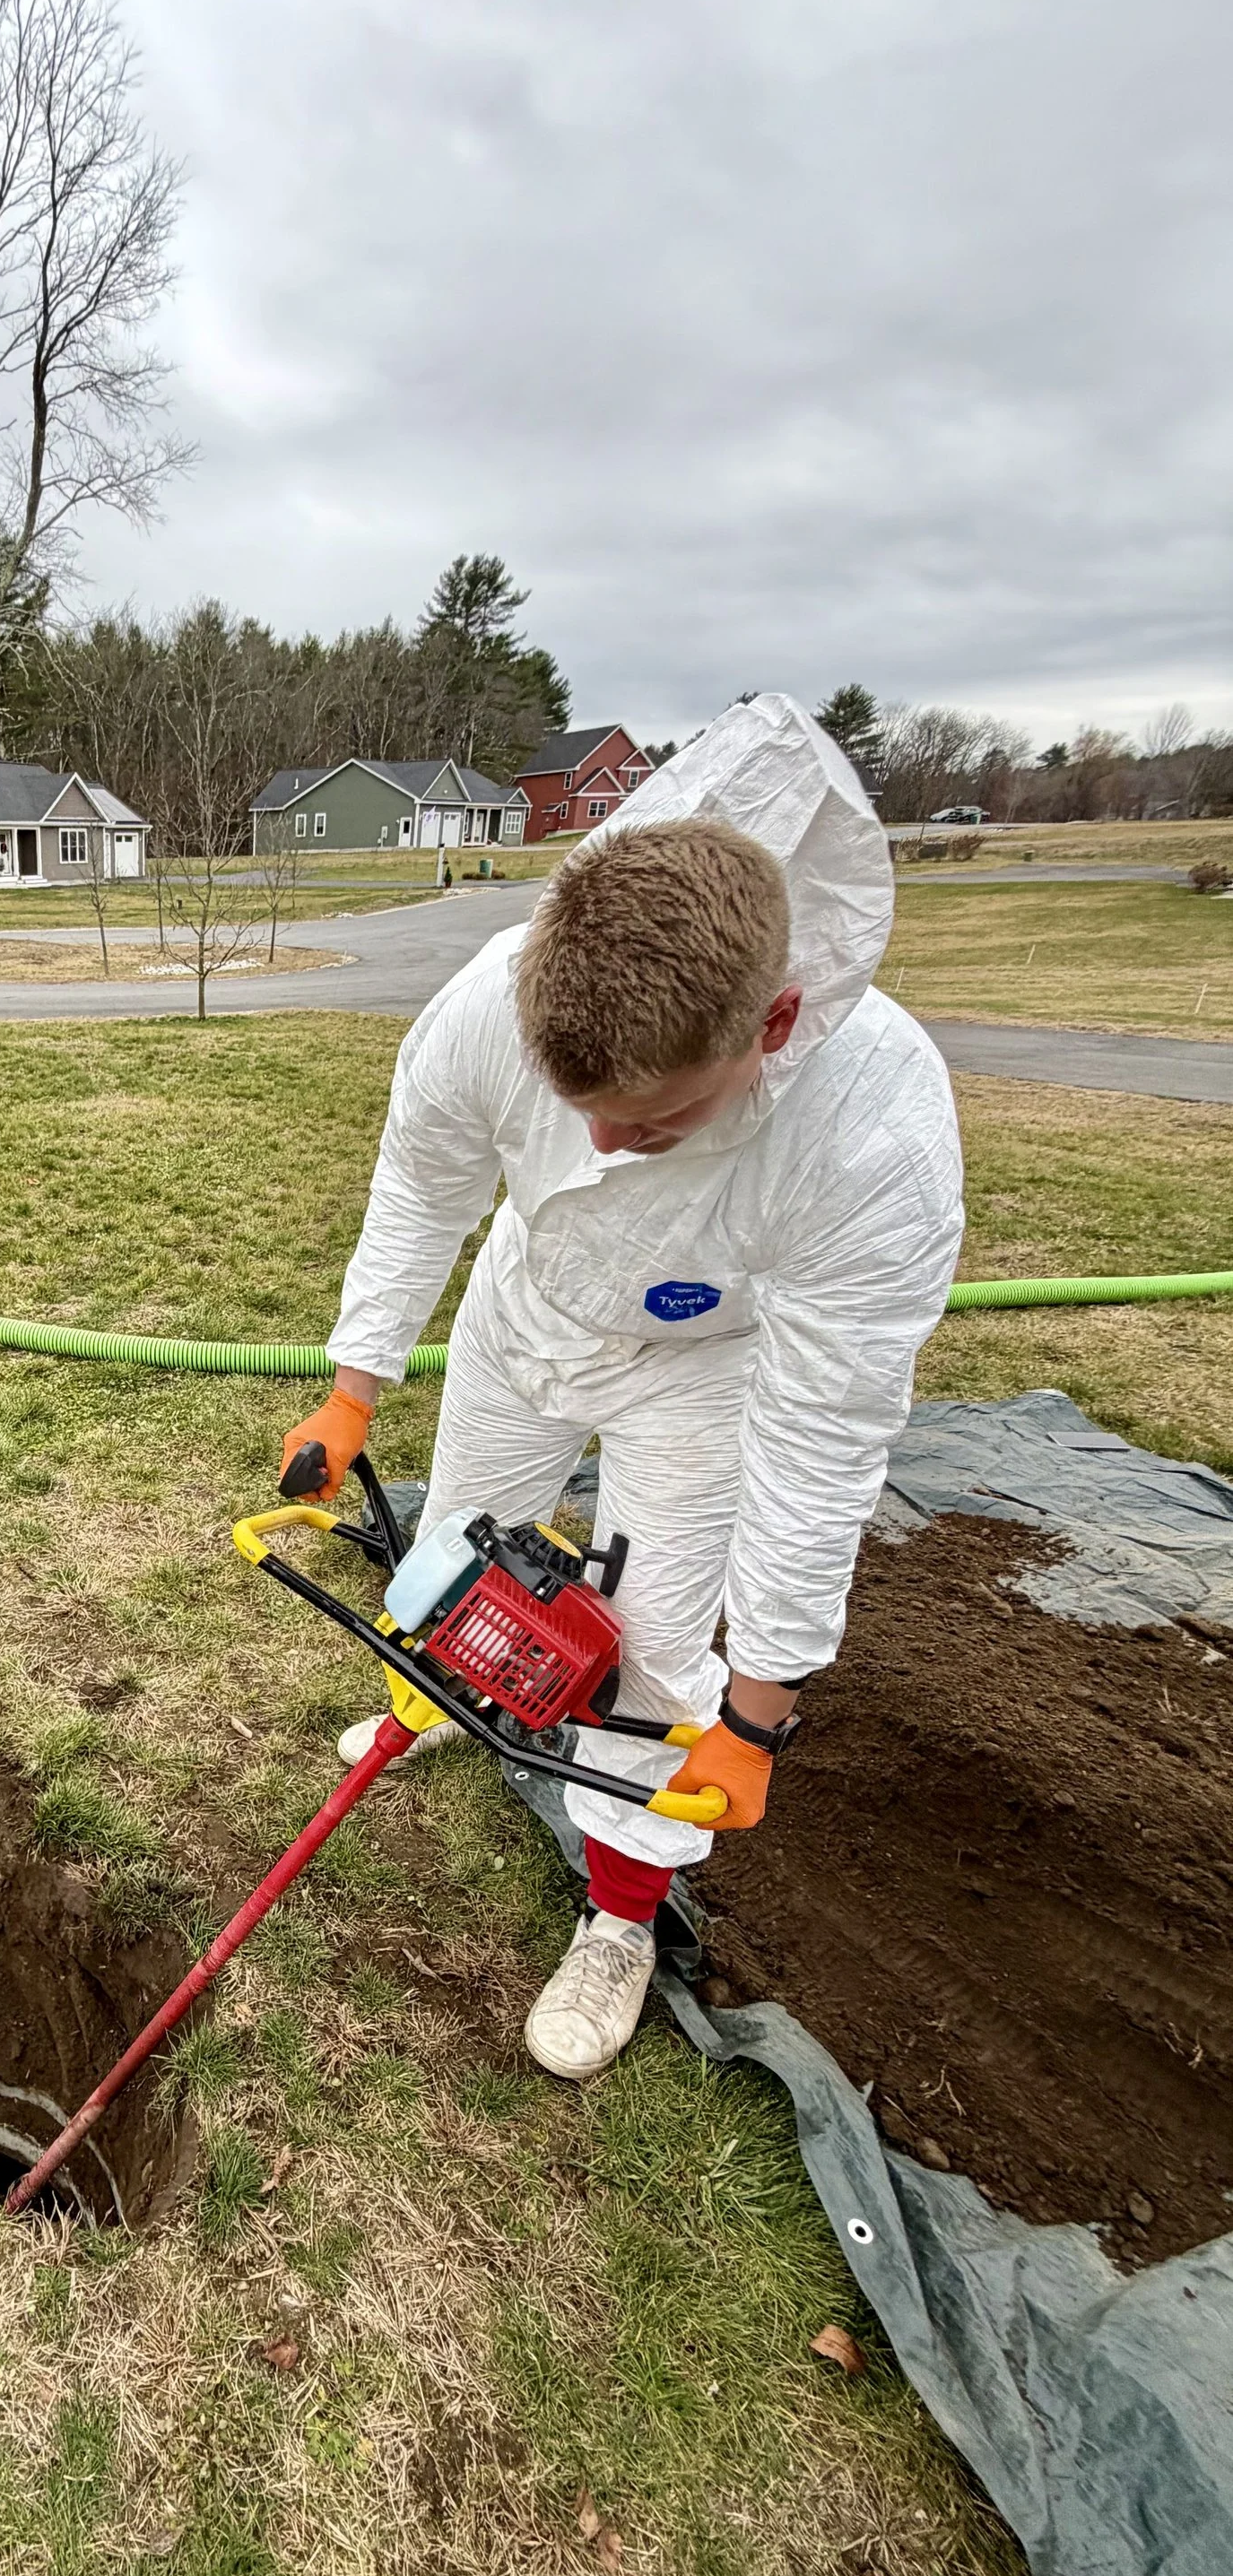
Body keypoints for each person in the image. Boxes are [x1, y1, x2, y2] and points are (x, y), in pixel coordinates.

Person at [283, 693, 964, 2082]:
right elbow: (424, 1184)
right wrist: (354, 1389)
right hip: (528, 1315)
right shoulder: (486, 1004)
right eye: (577, 1102)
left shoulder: (874, 1135)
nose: (600, 1142)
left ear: (773, 1023)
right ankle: (433, 1709)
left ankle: (621, 1914)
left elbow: (827, 1437)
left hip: (710, 1369)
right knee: (455, 1544)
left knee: (651, 1652)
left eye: (649, 1121)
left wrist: (762, 1704)